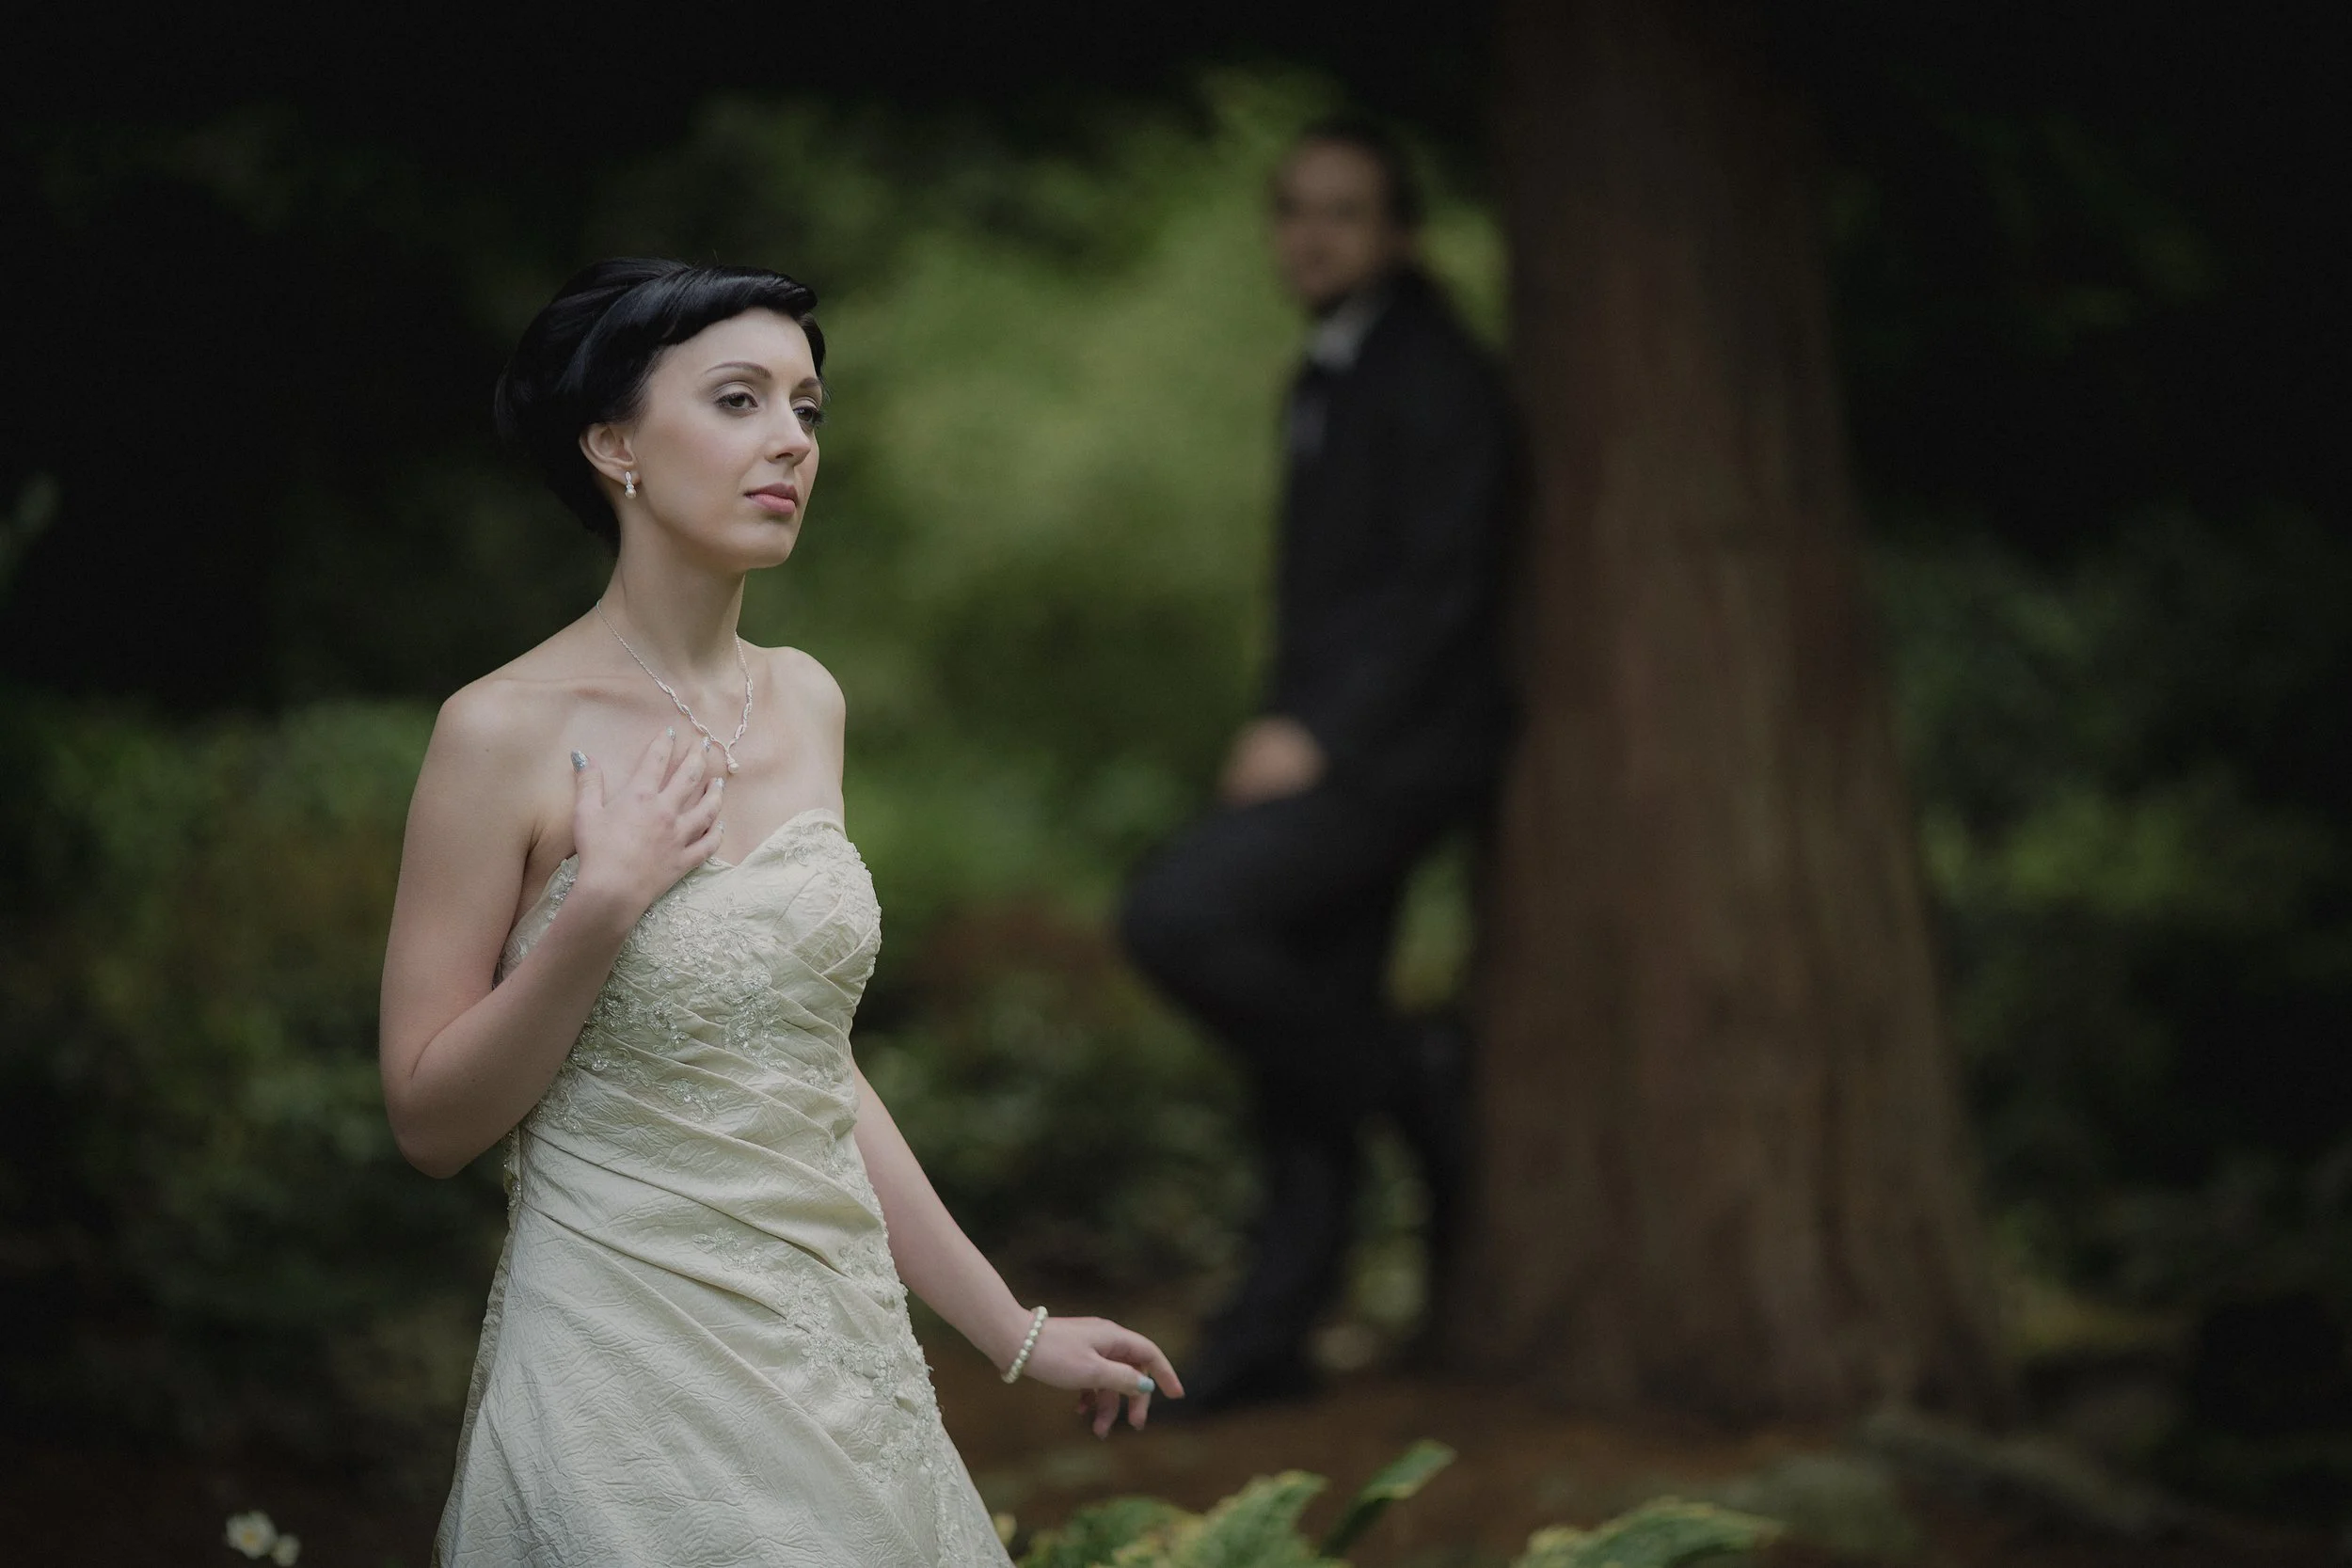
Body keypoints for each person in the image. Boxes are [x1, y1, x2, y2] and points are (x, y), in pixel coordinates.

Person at [378, 259, 1181, 1566]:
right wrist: (605, 904)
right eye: (740, 400)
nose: (789, 443)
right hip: (622, 1363)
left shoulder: (806, 700)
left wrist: (1014, 1330)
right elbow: (427, 1119)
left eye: (808, 409)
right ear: (614, 444)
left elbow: (807, 1068)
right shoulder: (497, 733)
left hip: (836, 1360)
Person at [1119, 119, 1517, 1413]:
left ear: (1399, 231)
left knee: (1176, 915)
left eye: (1343, 211)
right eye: (1293, 209)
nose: (1311, 234)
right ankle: (1267, 1343)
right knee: (1301, 1038)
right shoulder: (1329, 367)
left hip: (1401, 754)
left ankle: (1412, 1079)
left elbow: (1442, 593)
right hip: (1330, 739)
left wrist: (1320, 731)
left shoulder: (1438, 373)